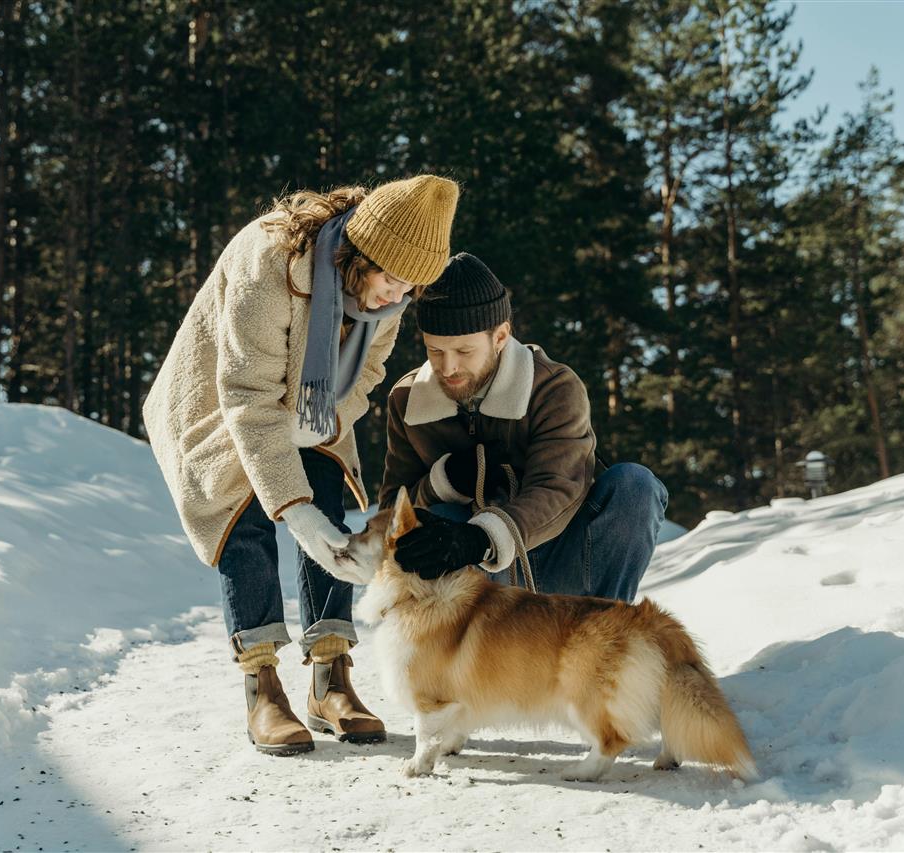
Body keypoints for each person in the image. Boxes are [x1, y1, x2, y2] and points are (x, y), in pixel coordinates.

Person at [143, 176, 459, 755]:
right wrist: (297, 514)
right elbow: (245, 395)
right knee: (246, 517)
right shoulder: (271, 260)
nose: (397, 298)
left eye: (411, 288)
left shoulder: (388, 295)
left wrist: (317, 424)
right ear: (359, 257)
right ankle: (262, 684)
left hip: (309, 404)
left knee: (330, 503)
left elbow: (367, 373)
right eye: (391, 280)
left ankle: (331, 677)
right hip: (217, 403)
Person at [379, 252, 667, 600]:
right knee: (432, 517)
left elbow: (560, 487)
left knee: (635, 485)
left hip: (565, 564)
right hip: (480, 591)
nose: (448, 367)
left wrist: (481, 538)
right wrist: (444, 482)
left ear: (500, 337)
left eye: (464, 351)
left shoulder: (554, 387)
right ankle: (459, 650)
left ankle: (604, 631)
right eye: (435, 350)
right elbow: (394, 509)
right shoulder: (408, 400)